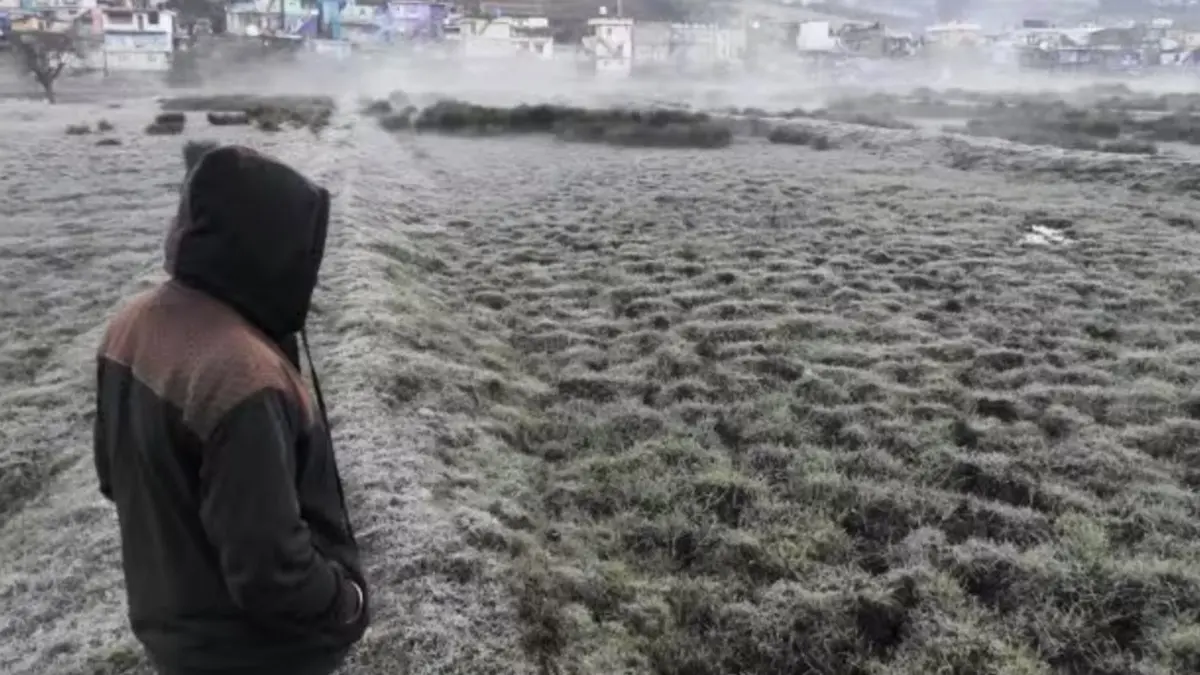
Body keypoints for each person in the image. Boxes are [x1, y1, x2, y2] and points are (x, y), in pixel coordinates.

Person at [92, 144, 369, 675]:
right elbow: (273, 573)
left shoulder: (129, 324)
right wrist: (346, 601)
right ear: (270, 245)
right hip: (257, 654)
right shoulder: (243, 377)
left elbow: (113, 478)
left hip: (171, 631)